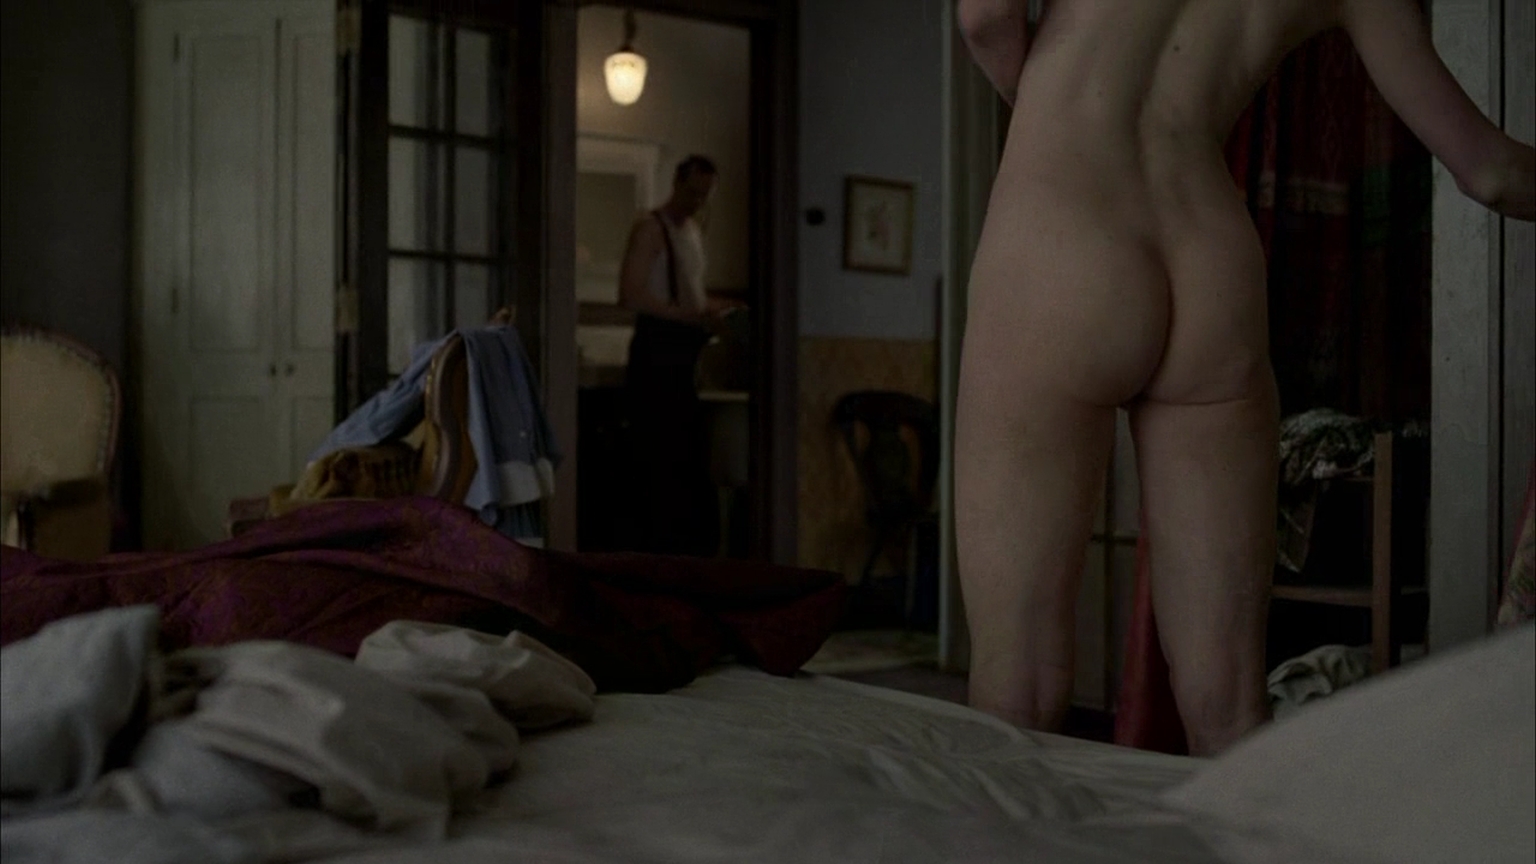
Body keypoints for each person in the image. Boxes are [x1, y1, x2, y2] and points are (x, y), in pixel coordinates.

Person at [953, 0, 1535, 756]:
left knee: (1018, 686)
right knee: (1227, 705)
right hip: (1209, 259)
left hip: (1063, 223)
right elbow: (1491, 172)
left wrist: (1040, 107)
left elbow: (986, 15)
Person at [618, 155, 736, 556]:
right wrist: (688, 316)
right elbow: (631, 294)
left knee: (686, 453)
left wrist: (718, 310)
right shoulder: (651, 228)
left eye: (705, 195)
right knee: (656, 452)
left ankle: (684, 548)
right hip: (657, 350)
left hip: (686, 350)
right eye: (693, 192)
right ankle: (652, 547)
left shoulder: (693, 233)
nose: (698, 202)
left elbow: (692, 292)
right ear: (677, 184)